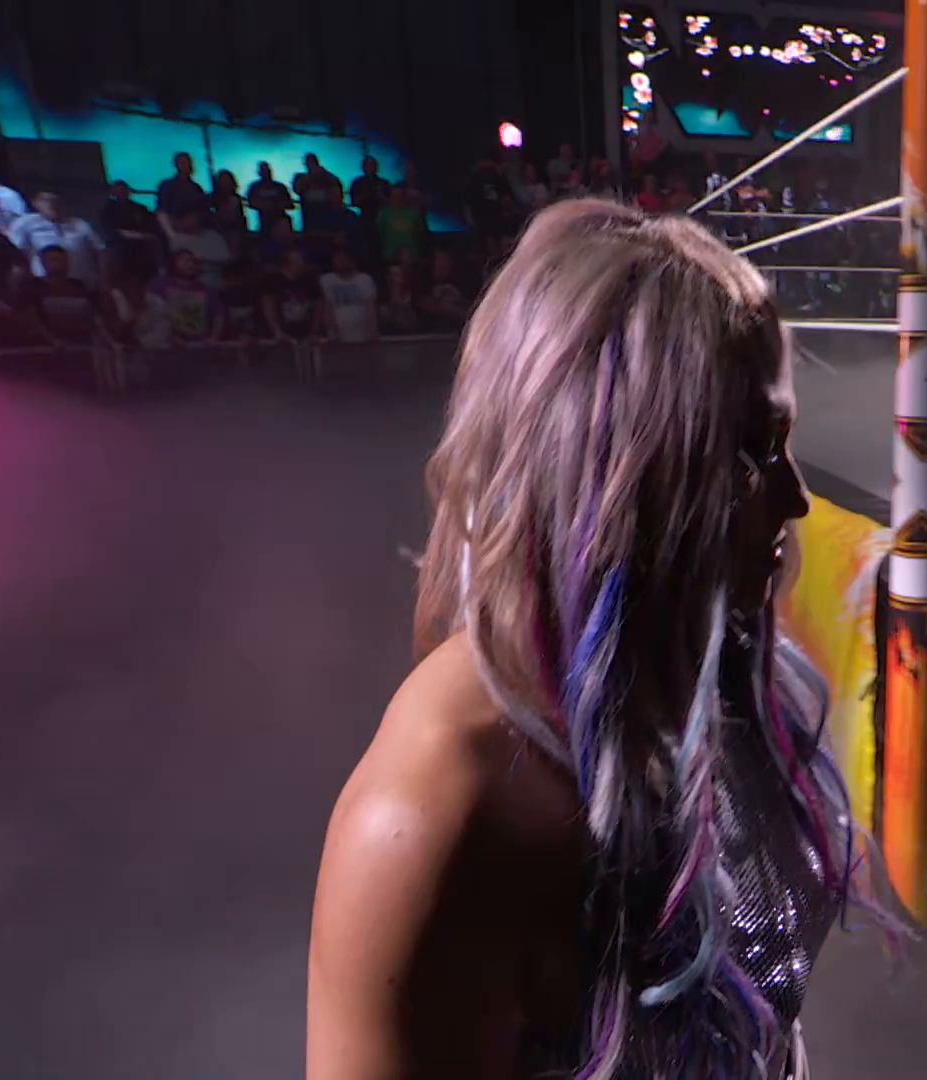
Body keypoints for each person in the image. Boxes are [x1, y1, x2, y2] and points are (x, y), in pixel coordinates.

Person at [308, 200, 886, 1080]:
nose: (797, 499)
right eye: (752, 452)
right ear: (621, 469)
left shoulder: (706, 663)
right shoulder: (429, 820)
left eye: (784, 442)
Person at [9, 191, 107, 287]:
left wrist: (104, 280)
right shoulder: (25, 223)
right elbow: (16, 255)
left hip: (81, 286)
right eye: (47, 201)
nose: (52, 205)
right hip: (41, 287)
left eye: (56, 201)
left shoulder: (81, 225)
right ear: (36, 203)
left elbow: (101, 252)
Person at [318, 248, 377, 345]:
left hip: (361, 331)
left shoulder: (364, 279)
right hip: (338, 332)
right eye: (337, 261)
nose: (340, 263)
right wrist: (331, 331)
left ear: (351, 261)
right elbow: (327, 307)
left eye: (343, 260)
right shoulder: (327, 280)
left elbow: (370, 307)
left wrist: (371, 330)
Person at [246, 162, 295, 232]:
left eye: (267, 170)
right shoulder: (255, 187)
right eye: (264, 171)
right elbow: (251, 203)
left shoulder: (280, 186)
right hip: (265, 223)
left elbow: (290, 204)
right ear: (259, 173)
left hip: (281, 223)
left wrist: (275, 205)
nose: (266, 173)